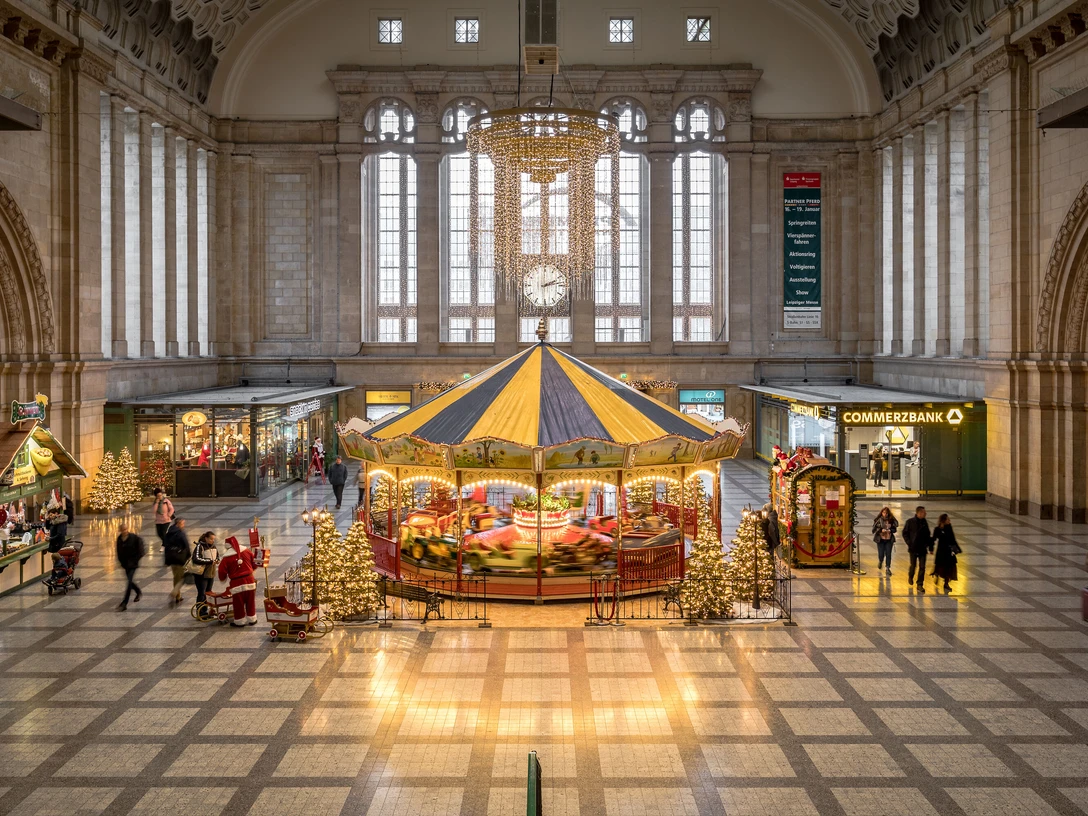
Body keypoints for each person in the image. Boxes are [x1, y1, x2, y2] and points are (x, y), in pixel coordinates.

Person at [218, 535, 258, 626]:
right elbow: (254, 562)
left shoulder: (226, 558)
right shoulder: (246, 551)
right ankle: (252, 619)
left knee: (238, 603)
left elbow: (221, 572)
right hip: (249, 580)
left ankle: (240, 621)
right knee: (251, 601)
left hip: (236, 583)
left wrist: (222, 578)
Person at [115, 523, 145, 610]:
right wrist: (121, 562)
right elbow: (118, 552)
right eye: (123, 530)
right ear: (120, 530)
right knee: (130, 581)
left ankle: (124, 603)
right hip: (125, 564)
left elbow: (141, 550)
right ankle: (138, 591)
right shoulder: (119, 539)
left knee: (129, 582)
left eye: (126, 529)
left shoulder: (134, 538)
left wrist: (136, 560)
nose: (125, 531)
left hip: (133, 564)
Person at [902, 506, 932, 592]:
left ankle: (920, 584)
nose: (925, 514)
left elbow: (928, 535)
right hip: (913, 548)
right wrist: (909, 543)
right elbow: (905, 533)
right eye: (923, 512)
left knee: (922, 567)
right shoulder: (910, 522)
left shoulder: (924, 522)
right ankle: (911, 576)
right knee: (913, 565)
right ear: (918, 513)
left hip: (922, 549)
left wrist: (929, 546)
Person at [163, 517, 191, 605]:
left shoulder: (169, 532)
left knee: (176, 576)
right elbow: (186, 545)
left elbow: (165, 545)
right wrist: (189, 556)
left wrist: (166, 560)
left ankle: (178, 596)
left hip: (171, 558)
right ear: (178, 524)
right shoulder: (180, 533)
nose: (184, 526)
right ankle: (174, 593)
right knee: (181, 577)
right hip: (180, 558)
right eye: (183, 524)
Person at [931, 513, 961, 592]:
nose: (949, 521)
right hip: (941, 551)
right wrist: (931, 548)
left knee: (949, 567)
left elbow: (953, 539)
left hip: (949, 551)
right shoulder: (937, 529)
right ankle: (937, 574)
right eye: (948, 519)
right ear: (943, 521)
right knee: (940, 566)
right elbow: (933, 539)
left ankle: (946, 583)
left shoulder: (949, 528)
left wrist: (957, 548)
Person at [191, 531, 219, 608]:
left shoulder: (213, 546)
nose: (213, 541)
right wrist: (210, 561)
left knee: (208, 593)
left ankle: (206, 610)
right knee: (202, 594)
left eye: (213, 539)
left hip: (210, 573)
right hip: (201, 575)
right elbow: (196, 559)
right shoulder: (200, 546)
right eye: (211, 539)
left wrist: (217, 560)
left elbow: (217, 556)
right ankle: (201, 612)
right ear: (206, 538)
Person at [871, 507, 899, 576]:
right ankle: (880, 561)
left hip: (889, 540)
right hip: (880, 540)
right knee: (881, 554)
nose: (885, 514)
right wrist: (881, 530)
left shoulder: (891, 520)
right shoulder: (879, 520)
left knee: (888, 553)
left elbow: (895, 528)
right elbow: (874, 529)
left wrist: (890, 530)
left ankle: (888, 568)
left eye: (886, 513)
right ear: (881, 513)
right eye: (883, 512)